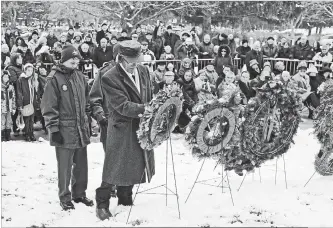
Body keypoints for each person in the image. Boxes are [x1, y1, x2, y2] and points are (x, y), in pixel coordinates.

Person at [95, 40, 154, 220]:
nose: (134, 66)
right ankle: (102, 203)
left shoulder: (143, 71)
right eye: (131, 62)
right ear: (120, 59)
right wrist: (146, 109)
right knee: (115, 166)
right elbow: (122, 105)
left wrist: (152, 109)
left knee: (135, 162)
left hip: (140, 125)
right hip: (120, 126)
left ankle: (125, 198)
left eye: (137, 61)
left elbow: (148, 94)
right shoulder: (109, 77)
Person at [41, 45, 93, 211]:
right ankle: (65, 196)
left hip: (80, 128)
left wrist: (88, 120)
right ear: (64, 60)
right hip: (64, 129)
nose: (76, 61)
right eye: (73, 59)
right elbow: (49, 106)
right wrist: (53, 129)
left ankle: (79, 193)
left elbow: (87, 102)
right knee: (65, 166)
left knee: (81, 165)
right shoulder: (54, 78)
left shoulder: (80, 76)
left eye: (77, 59)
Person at [16, 63, 37, 142]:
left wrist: (36, 101)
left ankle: (31, 133)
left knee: (32, 119)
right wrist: (20, 104)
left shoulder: (32, 79)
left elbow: (34, 91)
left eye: (31, 70)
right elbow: (19, 92)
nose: (30, 72)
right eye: (28, 70)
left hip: (32, 102)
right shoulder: (21, 80)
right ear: (25, 70)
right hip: (25, 102)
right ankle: (27, 134)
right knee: (27, 119)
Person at [7, 53, 23, 137]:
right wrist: (23, 76)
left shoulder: (22, 67)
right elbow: (13, 80)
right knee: (16, 110)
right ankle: (15, 128)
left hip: (23, 90)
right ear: (14, 59)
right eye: (19, 58)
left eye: (21, 58)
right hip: (16, 91)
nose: (21, 59)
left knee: (23, 109)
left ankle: (24, 127)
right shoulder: (11, 68)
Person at [1, 70, 16, 141]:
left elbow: (13, 98)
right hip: (1, 108)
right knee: (2, 122)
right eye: (4, 77)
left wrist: (13, 107)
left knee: (8, 122)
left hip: (9, 108)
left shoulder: (11, 87)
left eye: (7, 77)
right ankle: (2, 135)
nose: (6, 79)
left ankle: (8, 134)